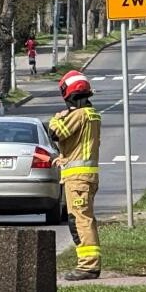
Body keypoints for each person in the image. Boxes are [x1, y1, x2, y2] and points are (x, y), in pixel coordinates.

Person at [48, 70, 102, 280]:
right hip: (83, 177)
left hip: (78, 179)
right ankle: (88, 264)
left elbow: (55, 132)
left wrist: (57, 118)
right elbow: (79, 144)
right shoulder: (91, 114)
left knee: (81, 221)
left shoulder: (78, 115)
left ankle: (88, 266)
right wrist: (65, 158)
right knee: (80, 219)